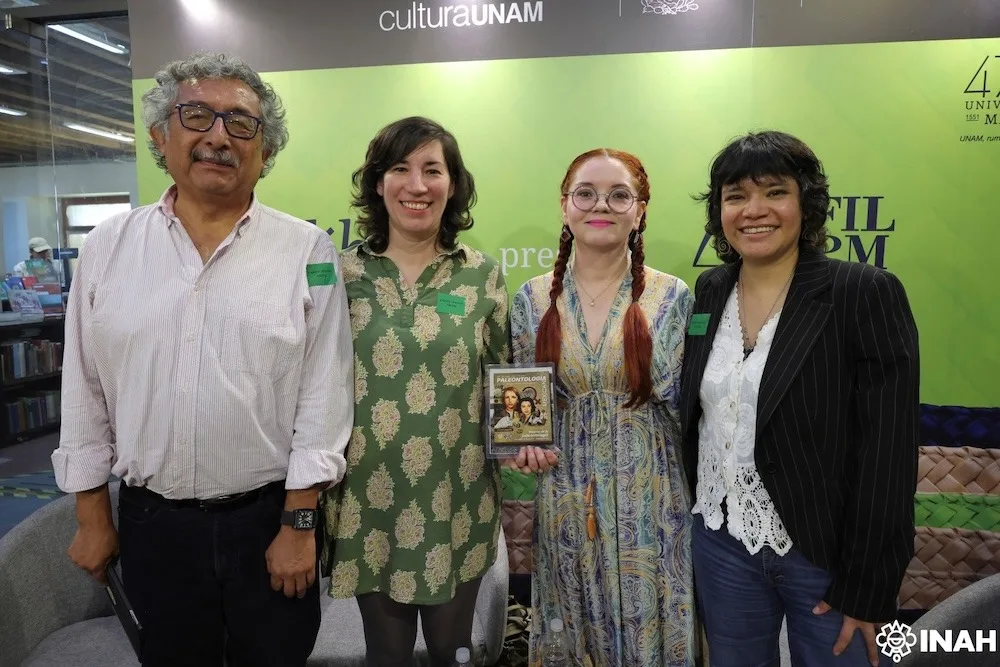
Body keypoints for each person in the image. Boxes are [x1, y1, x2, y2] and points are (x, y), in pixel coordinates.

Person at [51, 51, 354, 667]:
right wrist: (91, 514)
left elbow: (324, 396)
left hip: (269, 522)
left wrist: (299, 527)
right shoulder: (108, 247)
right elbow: (83, 388)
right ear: (160, 136)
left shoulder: (307, 251)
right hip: (152, 527)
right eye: (196, 116)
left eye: (241, 123)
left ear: (265, 150)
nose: (219, 136)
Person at [679, 130, 919, 667]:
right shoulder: (711, 290)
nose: (753, 210)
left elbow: (888, 452)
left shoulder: (862, 292)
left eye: (774, 192)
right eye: (736, 196)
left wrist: (868, 585)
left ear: (806, 203)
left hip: (826, 555)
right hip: (721, 543)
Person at [320, 116, 510, 667]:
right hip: (369, 500)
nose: (417, 185)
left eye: (433, 170)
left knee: (453, 653)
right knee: (386, 655)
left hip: (458, 500)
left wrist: (522, 460)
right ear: (378, 183)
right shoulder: (341, 273)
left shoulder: (481, 276)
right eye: (400, 169)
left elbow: (504, 384)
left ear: (453, 184)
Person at [508, 148, 696, 666]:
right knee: (571, 623)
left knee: (650, 625)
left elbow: (689, 407)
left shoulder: (672, 296)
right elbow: (523, 410)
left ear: (640, 211)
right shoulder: (531, 299)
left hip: (652, 497)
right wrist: (525, 446)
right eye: (586, 193)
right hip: (566, 493)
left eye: (619, 196)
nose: (601, 206)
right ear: (565, 206)